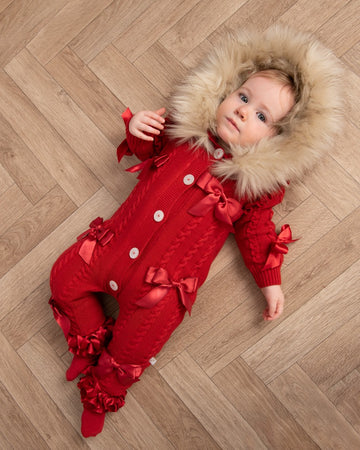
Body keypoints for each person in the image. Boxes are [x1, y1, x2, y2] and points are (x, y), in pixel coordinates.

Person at [49, 26, 342, 437]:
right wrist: (138, 133)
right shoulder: (185, 134)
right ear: (224, 91)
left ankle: (102, 387)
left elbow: (257, 232)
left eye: (261, 115)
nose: (242, 112)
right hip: (109, 249)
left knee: (135, 350)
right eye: (242, 97)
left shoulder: (251, 186)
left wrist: (269, 282)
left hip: (160, 293)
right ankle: (88, 339)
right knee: (63, 279)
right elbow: (145, 152)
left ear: (274, 139)